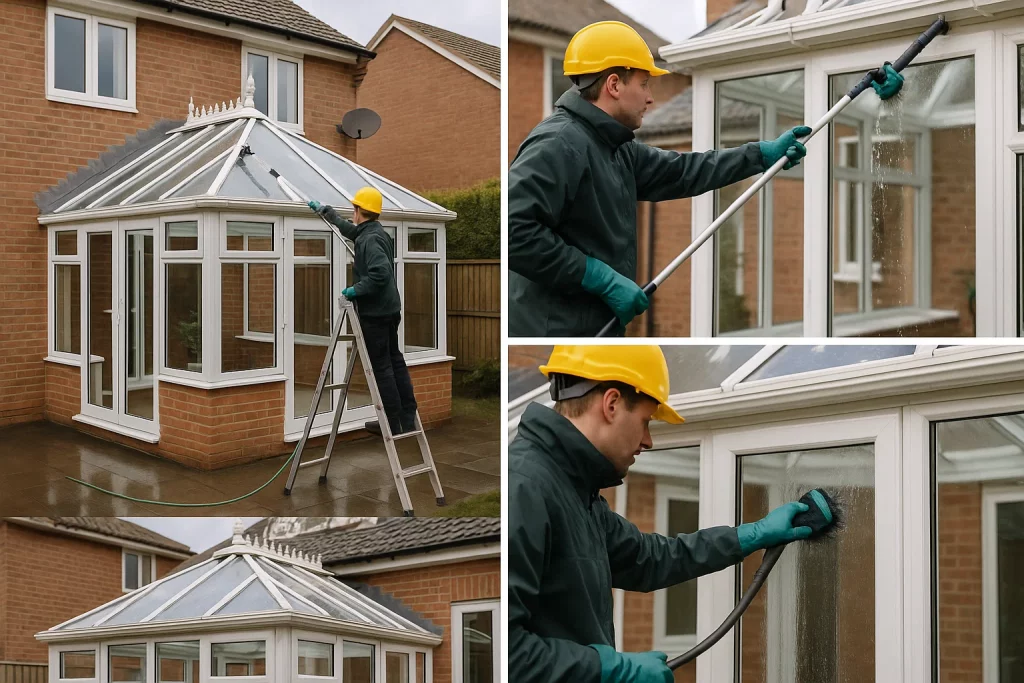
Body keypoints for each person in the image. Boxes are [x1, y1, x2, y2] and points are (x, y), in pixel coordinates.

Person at [509, 345, 813, 683]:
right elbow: (507, 656)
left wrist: (751, 535)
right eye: (645, 421)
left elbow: (651, 559)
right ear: (611, 404)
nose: (649, 441)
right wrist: (611, 670)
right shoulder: (524, 487)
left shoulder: (576, 490)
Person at [507, 20, 812, 337]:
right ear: (614, 85)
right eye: (644, 84)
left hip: (593, 328)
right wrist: (598, 277)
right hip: (552, 332)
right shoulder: (559, 144)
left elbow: (682, 171)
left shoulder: (615, 146)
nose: (650, 98)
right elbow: (514, 231)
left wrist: (759, 155)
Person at [307, 187, 417, 436]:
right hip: (389, 309)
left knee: (382, 367)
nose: (352, 214)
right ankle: (406, 417)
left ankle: (393, 421)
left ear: (359, 211)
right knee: (395, 361)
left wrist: (355, 290)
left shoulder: (369, 239)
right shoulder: (375, 232)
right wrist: (328, 214)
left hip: (376, 313)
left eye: (353, 209)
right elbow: (353, 232)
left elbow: (380, 274)